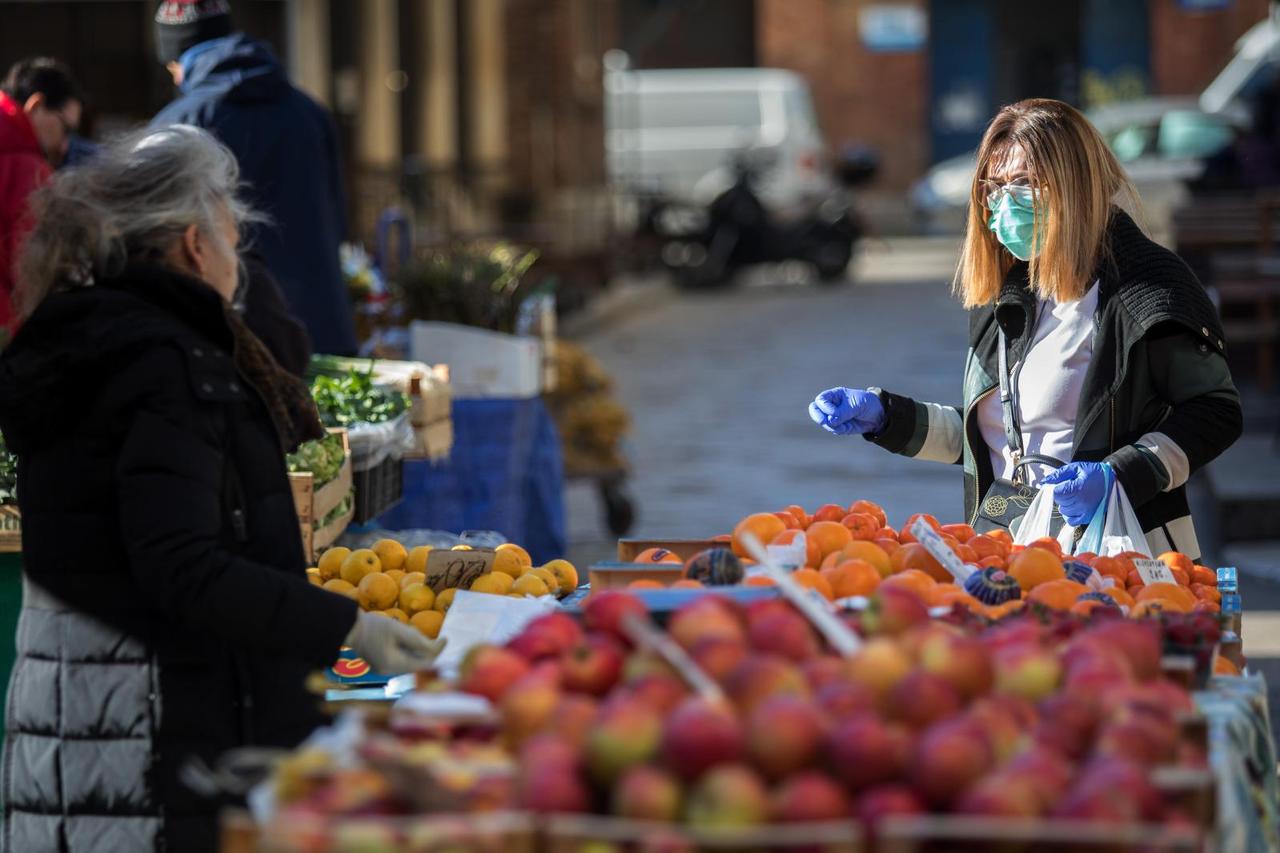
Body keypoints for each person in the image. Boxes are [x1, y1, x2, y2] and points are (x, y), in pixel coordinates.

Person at [0, 126, 441, 852]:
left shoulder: (94, 337)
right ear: (194, 243)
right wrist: (346, 630)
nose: (240, 256)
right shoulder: (164, 363)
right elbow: (181, 563)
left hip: (91, 730)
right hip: (142, 742)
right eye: (234, 234)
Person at [809, 99, 1242, 561]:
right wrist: (886, 415)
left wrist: (1120, 474)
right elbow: (997, 437)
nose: (1004, 203)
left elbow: (1216, 413)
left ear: (1077, 184)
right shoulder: (1011, 292)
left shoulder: (1149, 289)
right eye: (993, 188)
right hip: (1009, 550)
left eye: (1023, 183)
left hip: (1122, 556)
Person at [150, 0, 358, 356]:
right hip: (323, 326)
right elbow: (338, 221)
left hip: (230, 341)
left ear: (178, 63)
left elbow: (163, 251)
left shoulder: (179, 125)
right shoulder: (310, 112)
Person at [0, 58, 82, 338]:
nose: (65, 144)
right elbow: (33, 271)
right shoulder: (27, 169)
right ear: (36, 105)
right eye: (65, 127)